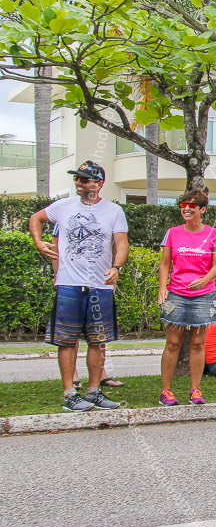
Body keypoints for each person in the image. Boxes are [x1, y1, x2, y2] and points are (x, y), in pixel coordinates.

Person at [28, 161, 128, 412]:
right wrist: (39, 243)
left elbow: (122, 244)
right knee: (66, 340)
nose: (79, 183)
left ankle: (94, 391)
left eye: (84, 179)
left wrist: (116, 267)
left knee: (98, 341)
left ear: (99, 183)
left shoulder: (113, 211)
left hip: (100, 286)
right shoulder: (63, 206)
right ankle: (70, 394)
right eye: (77, 179)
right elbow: (36, 218)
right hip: (69, 284)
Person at [157, 189, 216, 406]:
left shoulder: (214, 234)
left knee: (197, 343)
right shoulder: (172, 233)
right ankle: (166, 391)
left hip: (203, 296)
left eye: (192, 206)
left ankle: (195, 390)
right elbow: (165, 263)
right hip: (176, 294)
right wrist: (162, 288)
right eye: (183, 205)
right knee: (173, 343)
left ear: (202, 209)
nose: (186, 209)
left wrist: (205, 280)